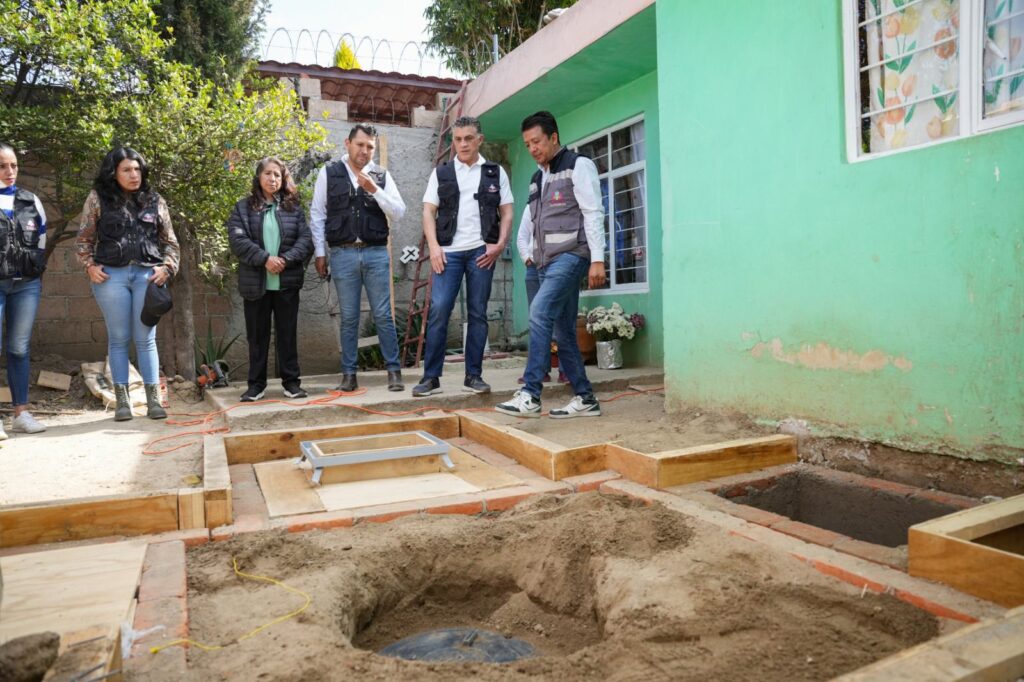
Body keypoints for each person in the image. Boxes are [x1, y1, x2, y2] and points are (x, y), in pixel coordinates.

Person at [496, 111, 606, 419]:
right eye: (527, 144)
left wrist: (598, 258)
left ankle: (531, 393)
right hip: (545, 263)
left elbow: (593, 212)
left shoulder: (578, 165)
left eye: (537, 142)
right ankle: (585, 398)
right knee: (564, 332)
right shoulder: (537, 179)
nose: (532, 149)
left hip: (572, 255)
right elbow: (531, 223)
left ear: (553, 137)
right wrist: (527, 254)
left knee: (540, 312)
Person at [412, 116, 513, 398]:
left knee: (478, 313)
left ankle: (474, 376)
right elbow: (428, 211)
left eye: (468, 138)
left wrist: (500, 244)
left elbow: (506, 211)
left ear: (480, 139)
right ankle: (431, 377)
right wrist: (434, 247)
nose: (463, 144)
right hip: (448, 252)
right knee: (439, 309)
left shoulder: (495, 172)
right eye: (458, 139)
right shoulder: (441, 173)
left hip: (482, 251)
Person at [77, 147, 179, 421]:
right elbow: (84, 239)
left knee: (146, 338)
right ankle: (123, 402)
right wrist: (89, 266)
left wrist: (167, 268)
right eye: (127, 170)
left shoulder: (155, 200)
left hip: (147, 276)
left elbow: (170, 242)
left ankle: (153, 401)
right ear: (113, 173)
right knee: (119, 338)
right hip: (111, 276)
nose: (134, 175)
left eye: (137, 169)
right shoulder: (98, 198)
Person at [309, 124, 406, 393]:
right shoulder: (329, 173)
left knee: (383, 315)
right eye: (360, 144)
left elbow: (399, 211)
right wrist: (320, 253)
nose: (365, 151)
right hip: (342, 254)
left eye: (370, 147)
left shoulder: (381, 175)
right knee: (349, 317)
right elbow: (317, 214)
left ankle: (394, 372)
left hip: (375, 253)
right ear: (347, 143)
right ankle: (349, 375)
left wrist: (375, 189)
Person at [227, 157, 313, 402]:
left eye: (277, 175)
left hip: (286, 282)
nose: (272, 179)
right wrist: (265, 259)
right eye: (268, 174)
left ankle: (291, 383)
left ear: (283, 179)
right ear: (259, 177)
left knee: (287, 334)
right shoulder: (243, 208)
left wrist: (285, 259)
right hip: (256, 284)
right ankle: (256, 385)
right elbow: (238, 240)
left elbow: (305, 240)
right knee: (257, 336)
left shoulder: (293, 209)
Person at [0, 143, 48, 437]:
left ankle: (21, 414)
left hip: (26, 285)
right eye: (2, 166)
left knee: (19, 348)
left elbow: (40, 241)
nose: (10, 171)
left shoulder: (31, 201)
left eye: (14, 165)